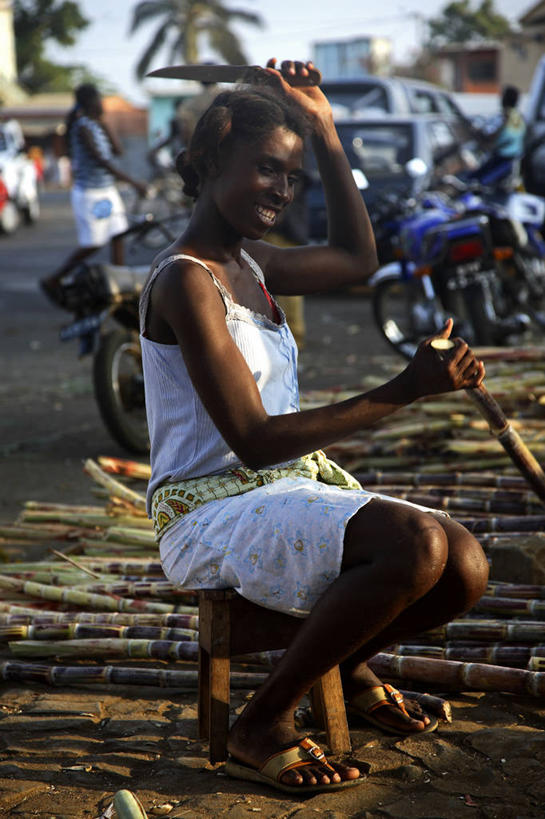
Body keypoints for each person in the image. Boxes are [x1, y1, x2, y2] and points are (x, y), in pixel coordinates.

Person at [139, 59, 489, 794]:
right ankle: (262, 720)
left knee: (464, 567)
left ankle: (347, 667)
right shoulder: (184, 279)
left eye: (291, 177)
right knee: (415, 542)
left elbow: (361, 256)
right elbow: (255, 439)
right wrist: (404, 389)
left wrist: (324, 126)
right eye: (267, 168)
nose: (281, 190)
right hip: (208, 509)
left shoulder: (253, 264)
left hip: (275, 493)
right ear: (206, 163)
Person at [40, 84, 148, 307]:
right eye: (99, 100)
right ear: (89, 102)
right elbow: (102, 160)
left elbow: (118, 151)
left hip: (107, 192)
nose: (102, 104)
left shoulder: (98, 126)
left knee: (118, 234)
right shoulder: (82, 127)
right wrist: (133, 182)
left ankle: (120, 283)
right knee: (94, 242)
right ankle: (54, 278)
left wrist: (106, 125)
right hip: (91, 195)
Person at [469, 85, 526, 187]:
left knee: (474, 180)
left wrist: (477, 133)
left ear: (505, 99)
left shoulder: (504, 116)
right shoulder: (520, 118)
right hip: (514, 160)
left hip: (500, 159)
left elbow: (491, 136)